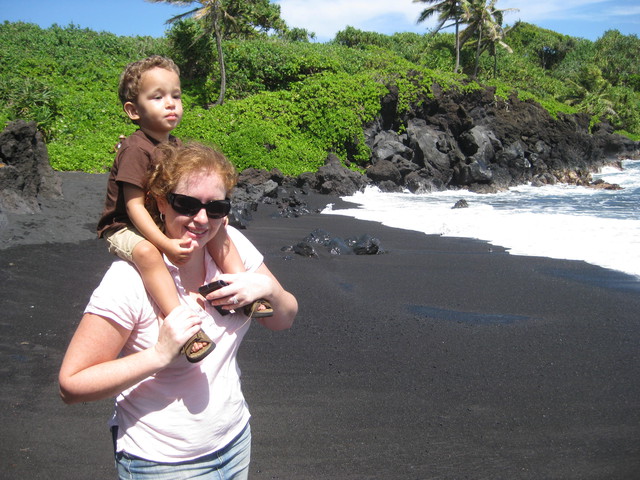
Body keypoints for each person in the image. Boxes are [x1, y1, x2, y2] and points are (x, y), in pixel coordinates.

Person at [59, 141, 298, 479]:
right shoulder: (129, 280)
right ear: (160, 202)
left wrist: (270, 289)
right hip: (162, 462)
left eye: (215, 207)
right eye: (186, 204)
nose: (201, 219)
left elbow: (284, 319)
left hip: (235, 440)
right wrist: (158, 355)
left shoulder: (232, 247)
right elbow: (71, 386)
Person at [97, 55, 267, 363]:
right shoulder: (135, 149)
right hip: (124, 226)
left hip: (159, 217)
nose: (171, 103)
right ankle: (183, 325)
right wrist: (165, 245)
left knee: (217, 229)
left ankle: (244, 290)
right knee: (149, 254)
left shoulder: (173, 146)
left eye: (176, 95)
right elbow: (134, 207)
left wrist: (213, 210)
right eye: (158, 97)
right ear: (133, 111)